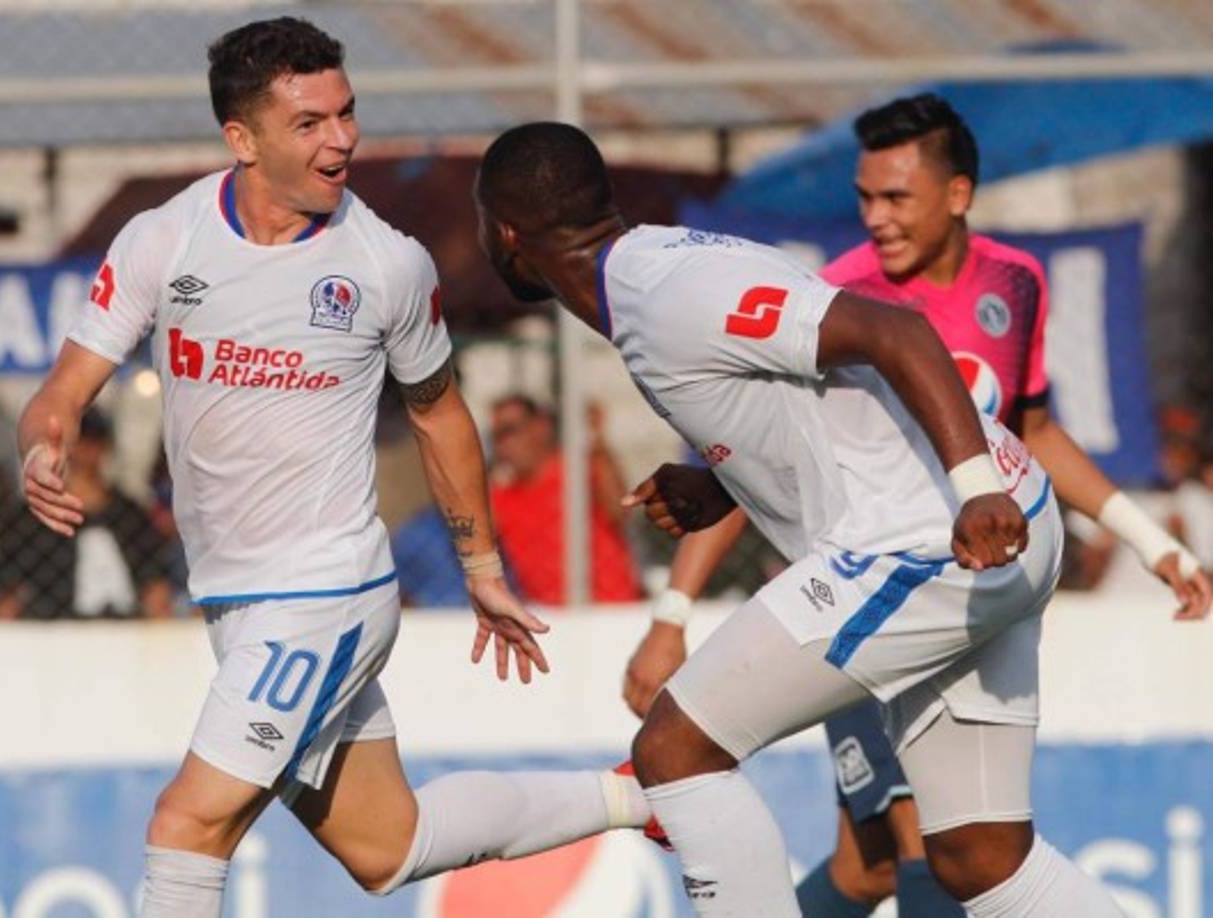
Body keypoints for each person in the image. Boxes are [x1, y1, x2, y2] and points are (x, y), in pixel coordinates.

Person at [16, 20, 649, 917]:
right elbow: (62, 393)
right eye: (309, 122)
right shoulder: (165, 240)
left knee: (186, 825)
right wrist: (41, 446)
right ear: (243, 139)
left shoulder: (385, 263)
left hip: (325, 591)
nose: (342, 138)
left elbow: (439, 414)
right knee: (388, 848)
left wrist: (480, 567)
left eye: (346, 113)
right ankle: (638, 795)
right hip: (232, 597)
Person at [476, 120, 1132, 916]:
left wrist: (972, 488)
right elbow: (808, 403)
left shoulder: (668, 292)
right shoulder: (654, 273)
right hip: (987, 525)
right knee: (979, 859)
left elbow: (894, 331)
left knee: (675, 750)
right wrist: (720, 481)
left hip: (934, 537)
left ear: (505, 234)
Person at [621, 94, 1212, 916]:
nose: (875, 219)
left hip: (971, 592)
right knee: (912, 841)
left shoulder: (1015, 281)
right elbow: (746, 466)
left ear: (958, 194)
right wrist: (672, 611)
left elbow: (1030, 430)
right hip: (863, 593)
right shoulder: (836, 299)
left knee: (897, 861)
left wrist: (1154, 544)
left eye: (895, 197)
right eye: (864, 199)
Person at [0, 408, 173, 620]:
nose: (87, 450)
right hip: (50, 634)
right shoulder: (36, 514)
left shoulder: (130, 515)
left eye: (95, 440)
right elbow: (10, 595)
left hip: (125, 632)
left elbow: (156, 588)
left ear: (105, 446)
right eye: (80, 441)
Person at [489, 393, 642, 604]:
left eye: (511, 431)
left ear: (540, 426)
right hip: (553, 620)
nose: (504, 445)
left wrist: (597, 438)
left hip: (612, 608)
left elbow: (621, 510)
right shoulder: (501, 497)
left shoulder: (580, 471)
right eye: (497, 437)